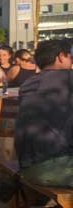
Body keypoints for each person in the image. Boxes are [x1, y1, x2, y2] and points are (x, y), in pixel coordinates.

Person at [14, 38, 73, 186]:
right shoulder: (68, 78)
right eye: (70, 56)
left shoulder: (28, 84)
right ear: (61, 56)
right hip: (58, 168)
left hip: (28, 167)